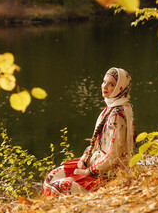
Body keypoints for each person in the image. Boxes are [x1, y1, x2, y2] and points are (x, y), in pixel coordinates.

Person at [42, 67, 135, 196]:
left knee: (57, 187)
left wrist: (88, 171)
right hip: (94, 160)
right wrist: (85, 157)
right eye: (104, 82)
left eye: (111, 84)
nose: (105, 87)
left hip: (107, 174)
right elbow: (96, 143)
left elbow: (114, 156)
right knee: (50, 177)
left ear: (120, 87)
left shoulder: (117, 115)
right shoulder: (110, 108)